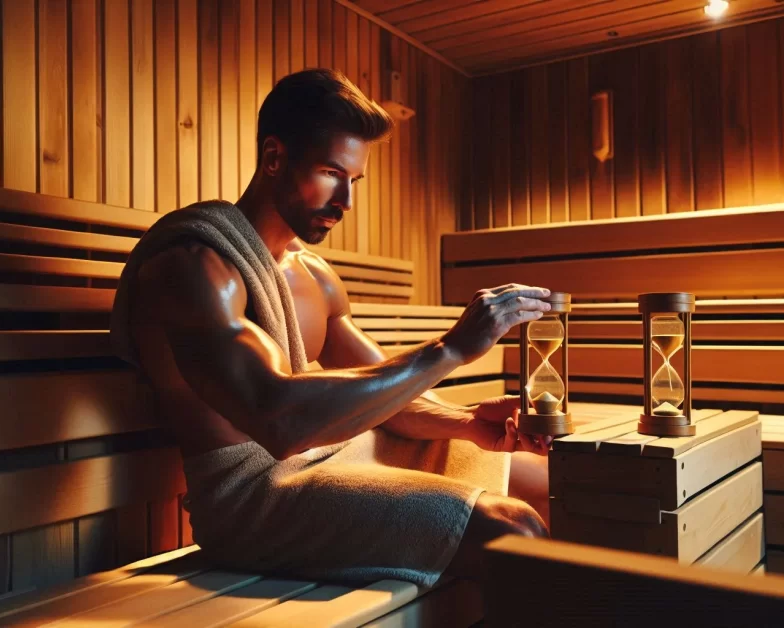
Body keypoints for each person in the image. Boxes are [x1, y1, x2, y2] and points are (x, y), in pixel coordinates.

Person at [110, 68, 551, 588]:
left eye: (353, 180)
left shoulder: (314, 276)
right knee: (513, 529)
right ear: (274, 158)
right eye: (329, 172)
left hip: (344, 453)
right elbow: (278, 421)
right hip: (256, 494)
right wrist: (451, 348)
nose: (345, 200)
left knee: (551, 484)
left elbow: (383, 390)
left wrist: (465, 421)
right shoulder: (194, 267)